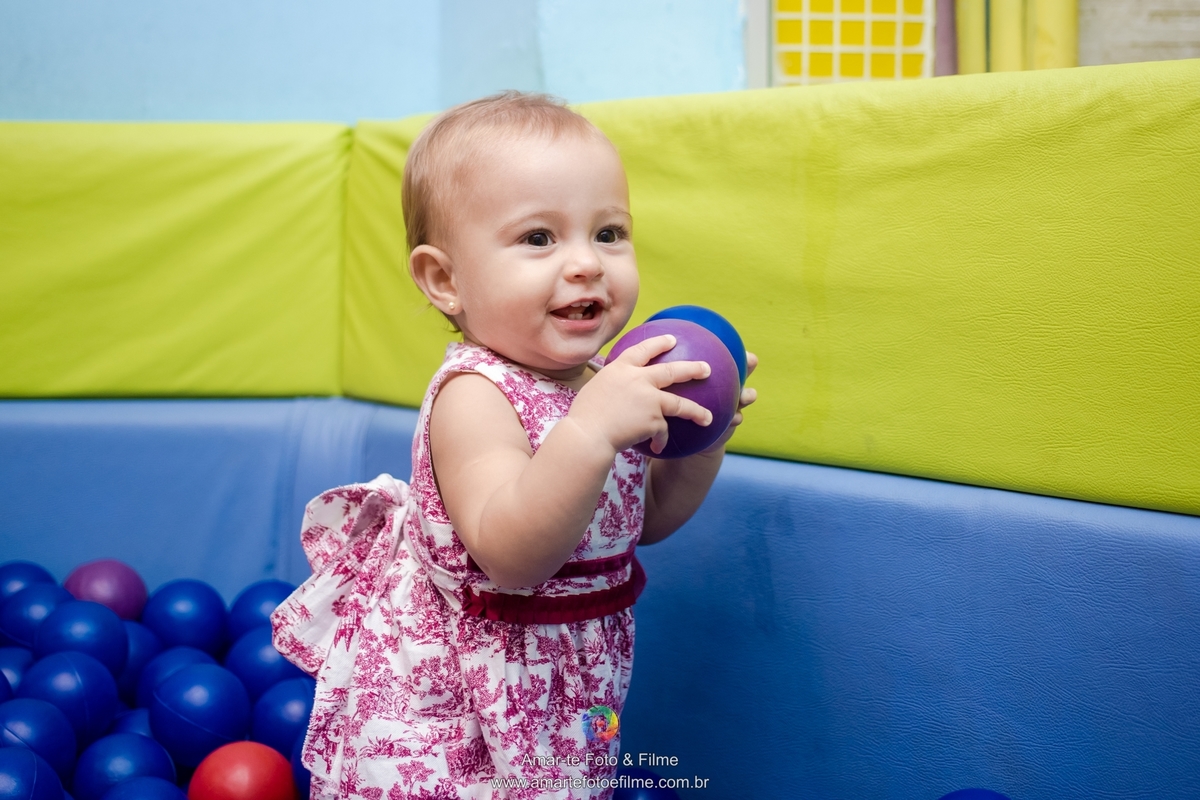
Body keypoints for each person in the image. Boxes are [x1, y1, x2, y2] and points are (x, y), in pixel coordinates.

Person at [272, 91, 757, 800]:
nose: (587, 263)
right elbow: (513, 554)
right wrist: (589, 431)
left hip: (574, 680)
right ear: (446, 280)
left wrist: (701, 445)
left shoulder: (603, 383)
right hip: (465, 699)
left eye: (609, 233)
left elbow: (640, 523)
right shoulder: (475, 396)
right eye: (538, 238)